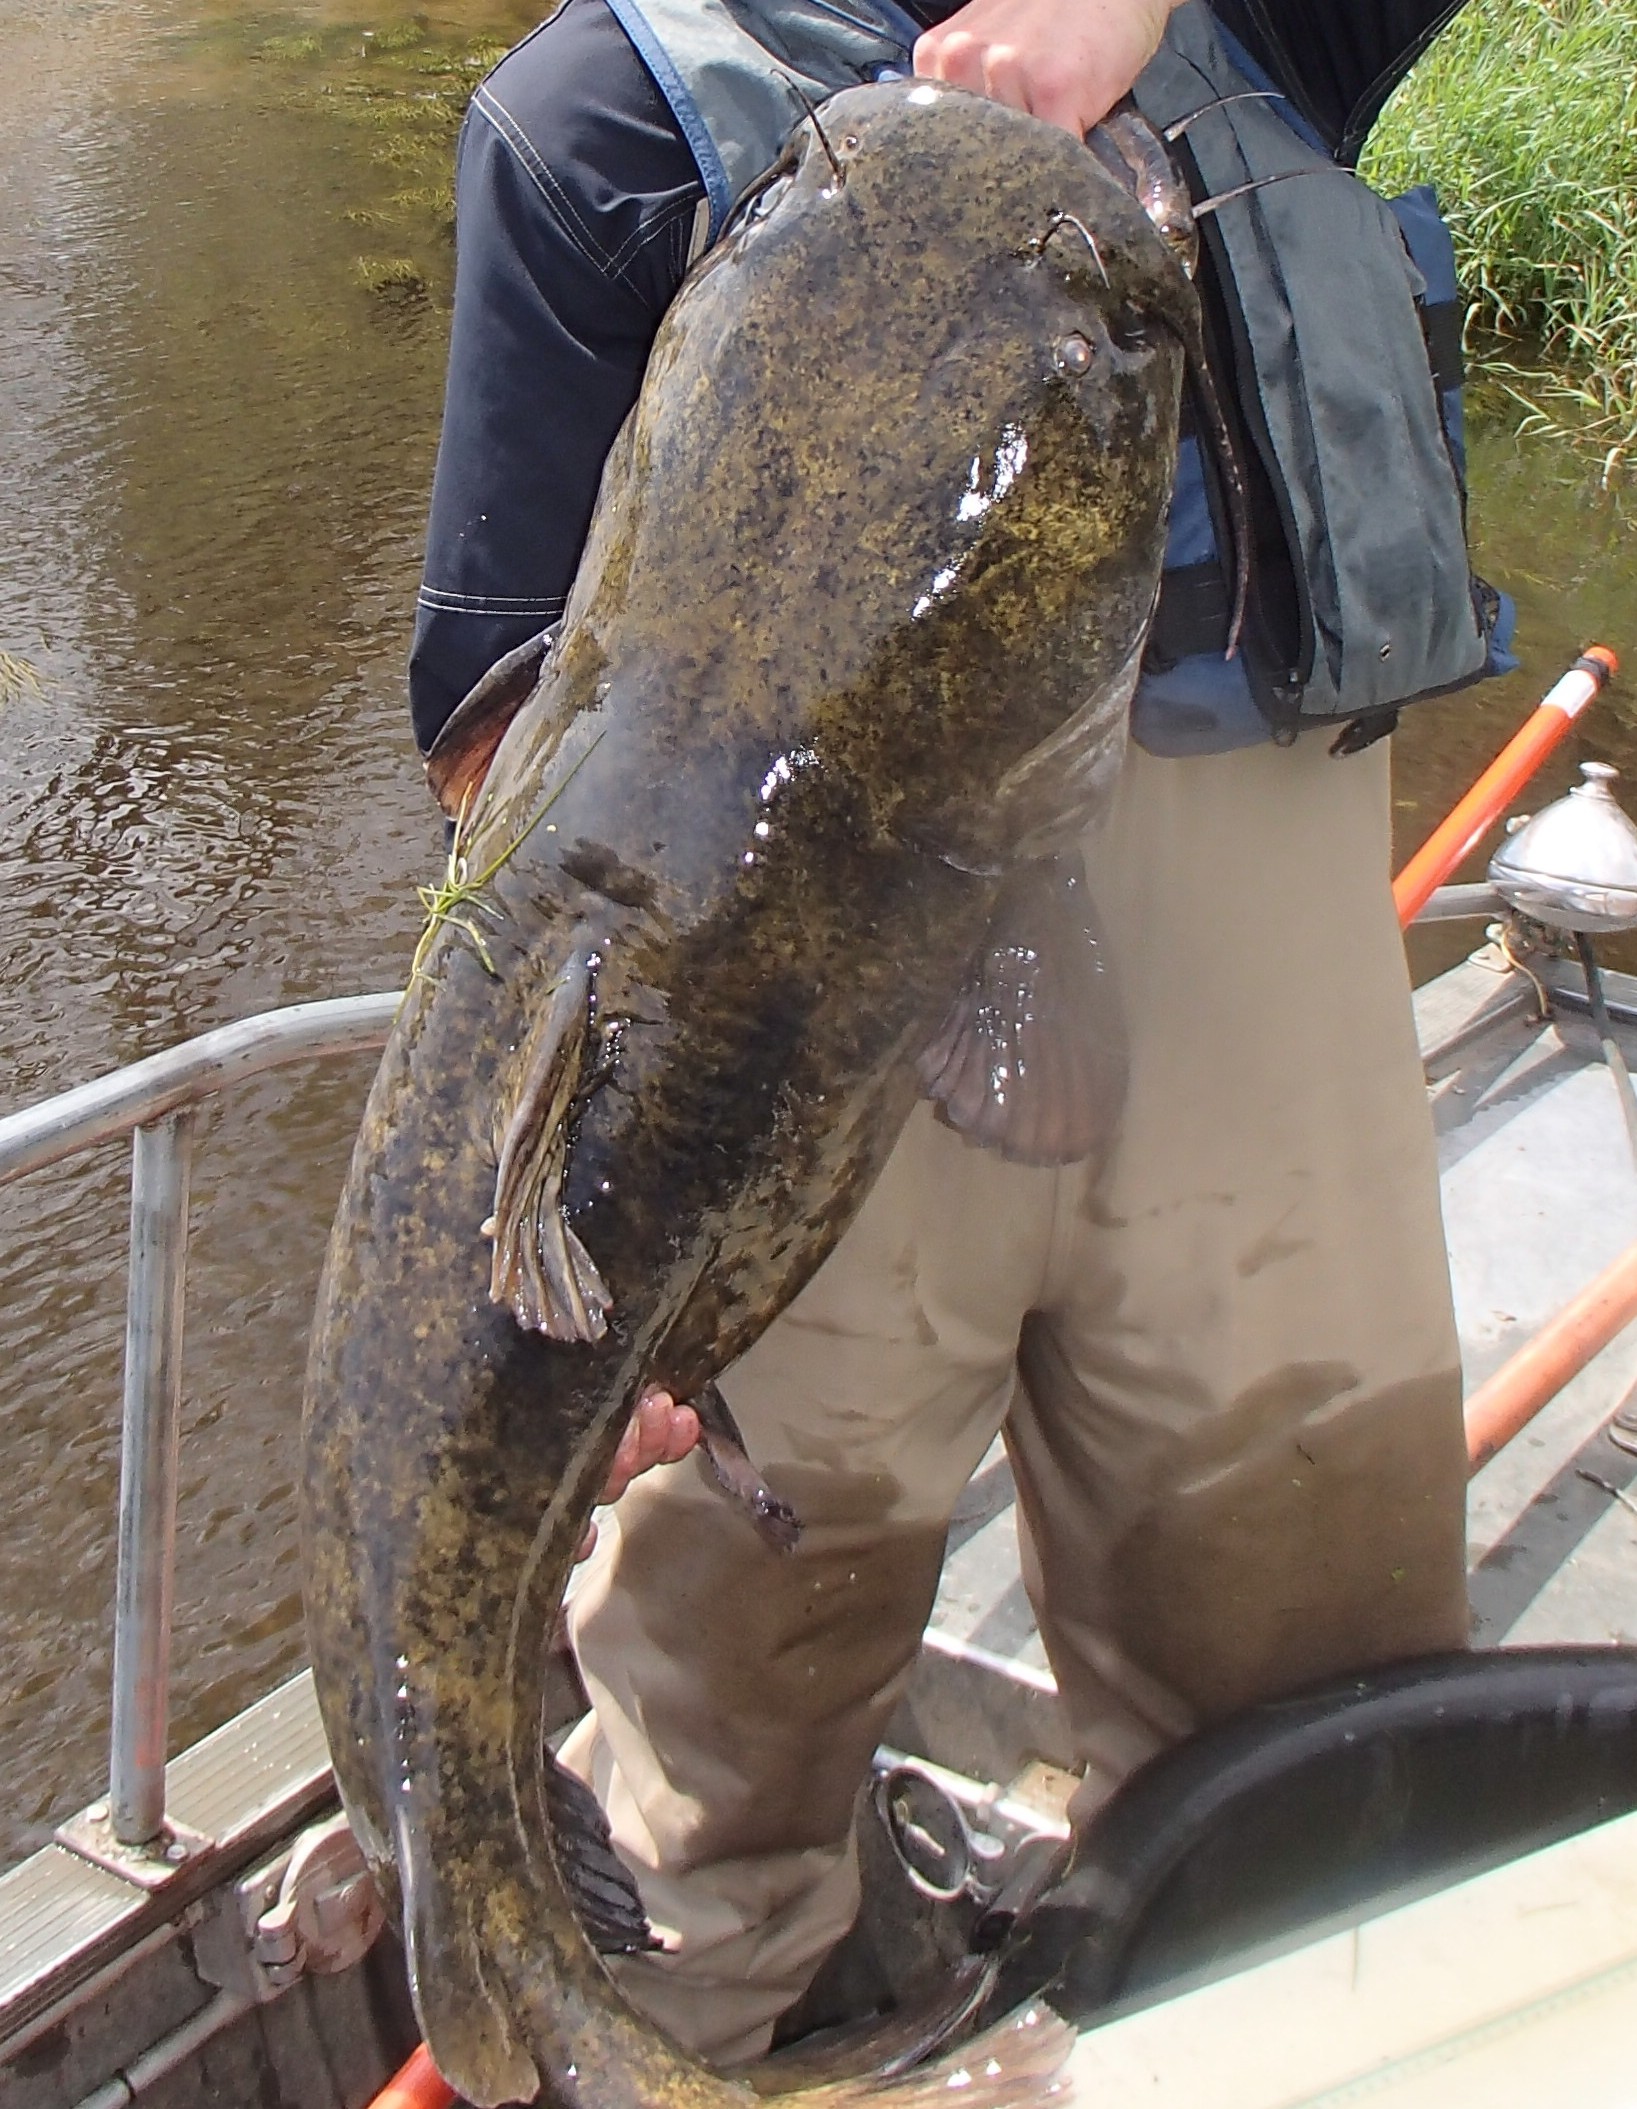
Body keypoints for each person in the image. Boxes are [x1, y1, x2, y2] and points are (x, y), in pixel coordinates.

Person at [409, 0, 1483, 2066]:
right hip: (796, 1032)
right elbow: (502, 762)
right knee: (711, 1775)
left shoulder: (1259, 26)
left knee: (1311, 1727)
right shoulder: (594, 123)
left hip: (1248, 994)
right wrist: (563, 1234)